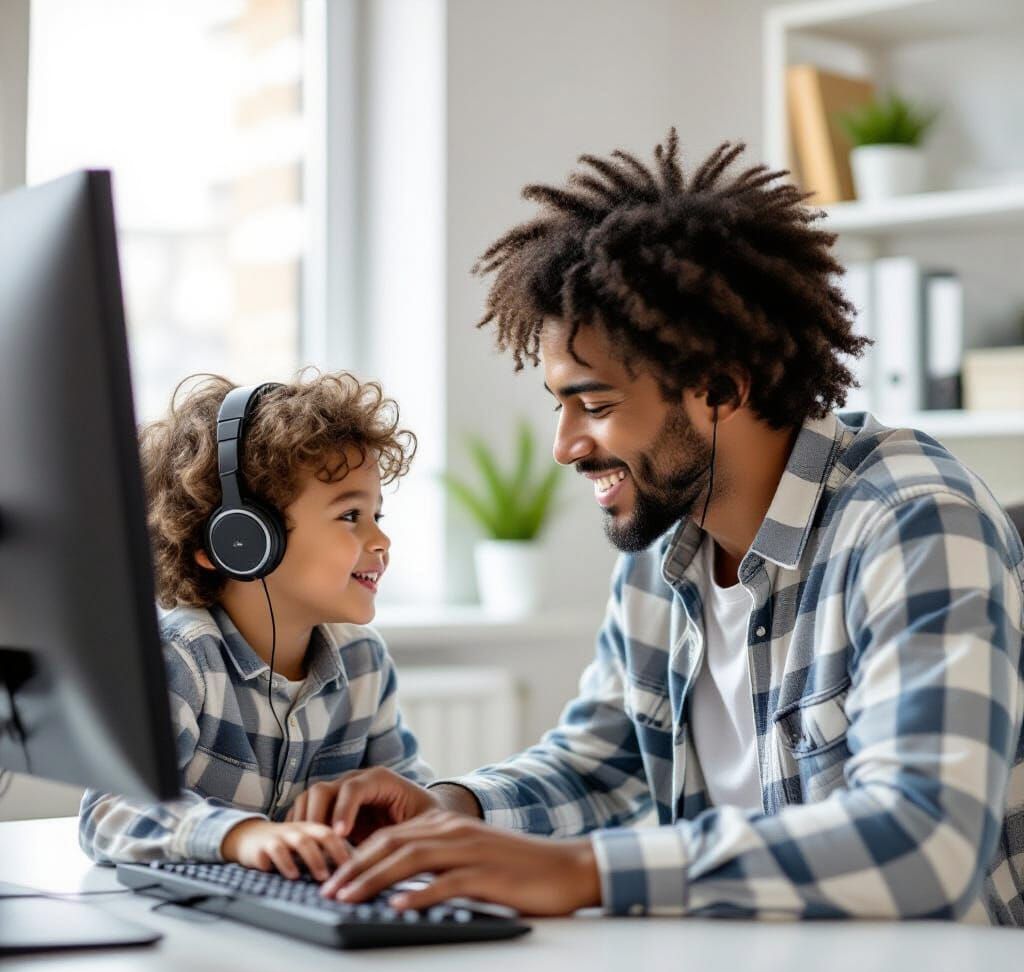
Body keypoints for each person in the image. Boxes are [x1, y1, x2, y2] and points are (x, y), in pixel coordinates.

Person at [293, 132, 1024, 924]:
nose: (566, 446)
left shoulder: (913, 522)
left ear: (720, 388)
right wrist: (452, 808)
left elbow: (924, 841)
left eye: (597, 406)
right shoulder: (666, 541)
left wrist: (585, 873)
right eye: (560, 404)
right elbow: (604, 762)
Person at [79, 372, 432, 882]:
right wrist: (242, 836)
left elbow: (405, 795)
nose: (381, 540)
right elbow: (110, 812)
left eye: (377, 513)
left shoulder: (363, 662)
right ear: (239, 539)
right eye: (351, 515)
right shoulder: (180, 659)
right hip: (190, 934)